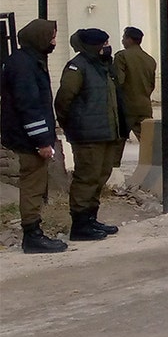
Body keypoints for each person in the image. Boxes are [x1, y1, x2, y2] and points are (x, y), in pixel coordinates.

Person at [1, 19, 68, 254]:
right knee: (32, 186)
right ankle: (32, 236)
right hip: (29, 140)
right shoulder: (24, 65)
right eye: (51, 37)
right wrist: (41, 140)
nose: (54, 42)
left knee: (34, 184)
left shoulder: (27, 60)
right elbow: (28, 105)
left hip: (26, 137)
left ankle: (34, 233)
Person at [55, 28, 128, 240]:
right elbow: (63, 100)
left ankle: (91, 220)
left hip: (107, 132)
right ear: (93, 46)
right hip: (87, 136)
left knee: (100, 177)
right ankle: (79, 226)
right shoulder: (78, 67)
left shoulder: (103, 66)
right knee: (86, 178)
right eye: (104, 44)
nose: (107, 47)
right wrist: (71, 125)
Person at [113, 26, 156, 141]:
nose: (122, 41)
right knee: (148, 143)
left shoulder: (122, 56)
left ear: (130, 40)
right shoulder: (149, 59)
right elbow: (152, 84)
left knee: (116, 145)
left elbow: (119, 81)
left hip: (126, 106)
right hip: (144, 106)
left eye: (124, 38)